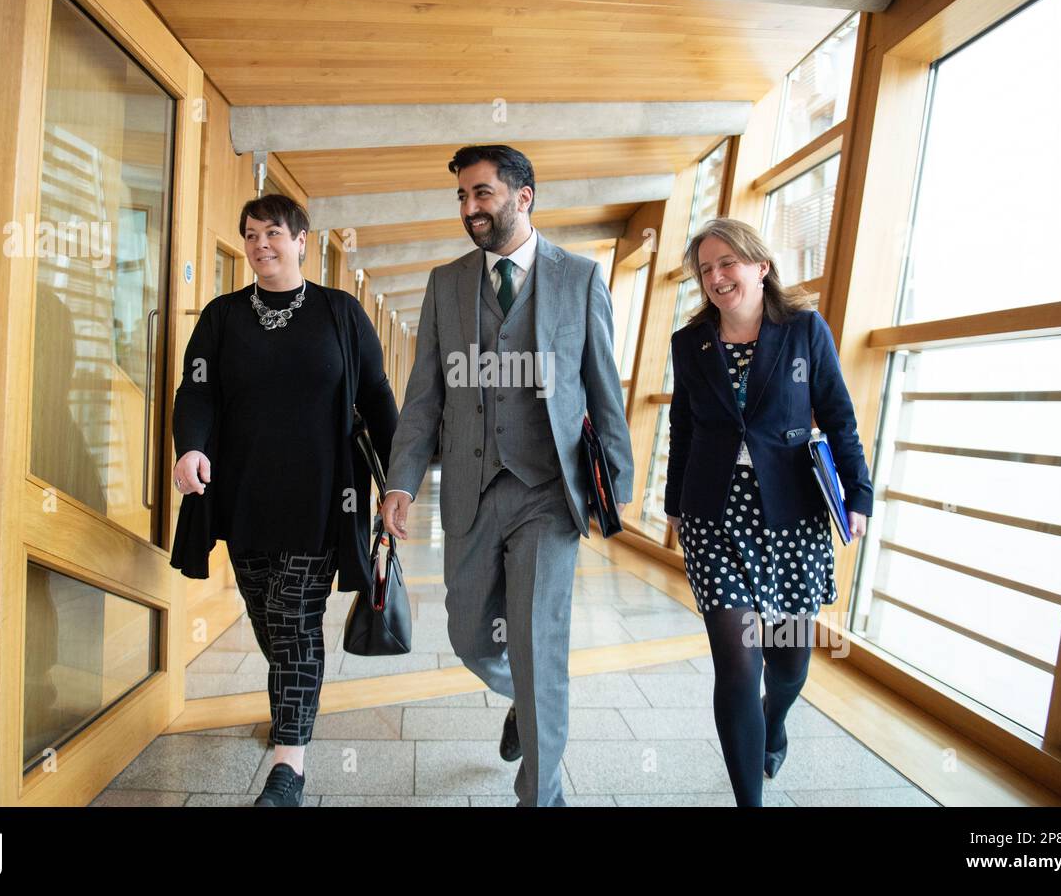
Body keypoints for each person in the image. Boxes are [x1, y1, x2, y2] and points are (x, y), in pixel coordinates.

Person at [379, 145, 633, 806]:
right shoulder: (446, 283)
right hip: (471, 488)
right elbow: (424, 396)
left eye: (482, 193)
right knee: (469, 636)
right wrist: (400, 480)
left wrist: (616, 490)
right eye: (462, 197)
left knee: (540, 645)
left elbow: (604, 390)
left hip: (550, 494)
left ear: (524, 197)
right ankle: (525, 695)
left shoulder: (578, 278)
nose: (469, 209)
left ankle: (541, 795)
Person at [168, 193, 397, 807]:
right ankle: (293, 697)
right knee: (269, 619)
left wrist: (397, 484)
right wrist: (190, 447)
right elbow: (196, 394)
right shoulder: (221, 317)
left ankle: (289, 764)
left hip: (322, 500)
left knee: (294, 621)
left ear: (301, 241)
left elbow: (376, 395)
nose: (260, 245)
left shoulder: (340, 312)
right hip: (244, 500)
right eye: (250, 235)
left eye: (273, 233)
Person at [664, 217, 872, 807]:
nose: (716, 276)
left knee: (787, 665)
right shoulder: (690, 343)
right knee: (736, 666)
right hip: (716, 518)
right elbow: (683, 429)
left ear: (761, 266)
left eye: (728, 262)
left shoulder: (804, 331)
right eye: (705, 268)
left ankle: (774, 721)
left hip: (792, 516)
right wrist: (675, 507)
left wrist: (858, 495)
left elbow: (838, 415)